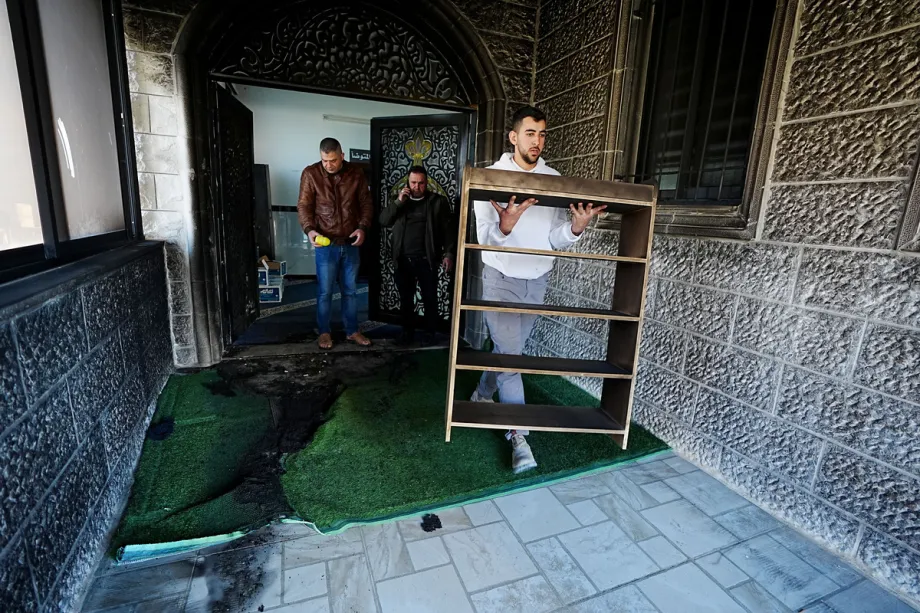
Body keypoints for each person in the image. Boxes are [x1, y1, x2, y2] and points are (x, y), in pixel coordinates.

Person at [472, 106, 607, 473]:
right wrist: (505, 227)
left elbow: (554, 239)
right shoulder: (490, 176)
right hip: (500, 277)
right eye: (530, 133)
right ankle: (519, 437)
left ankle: (482, 394)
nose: (537, 140)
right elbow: (485, 239)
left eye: (542, 134)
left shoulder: (554, 178)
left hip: (538, 279)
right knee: (512, 358)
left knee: (509, 352)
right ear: (514, 137)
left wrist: (576, 229)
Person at [297, 137, 373, 350]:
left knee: (350, 290)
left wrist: (363, 227)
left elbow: (366, 204)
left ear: (342, 156)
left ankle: (352, 331)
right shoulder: (310, 174)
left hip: (350, 242)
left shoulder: (356, 173)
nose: (329, 165)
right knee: (325, 291)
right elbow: (304, 206)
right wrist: (309, 230)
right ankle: (324, 332)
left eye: (333, 160)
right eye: (324, 161)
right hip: (325, 244)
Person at [379, 165, 456, 345]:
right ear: (408, 182)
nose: (417, 186)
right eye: (413, 182)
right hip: (403, 259)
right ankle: (407, 333)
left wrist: (449, 254)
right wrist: (399, 201)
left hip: (426, 259)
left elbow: (449, 231)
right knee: (406, 299)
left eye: (421, 183)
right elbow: (384, 221)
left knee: (430, 298)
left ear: (426, 183)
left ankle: (430, 334)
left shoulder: (437, 202)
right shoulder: (399, 201)